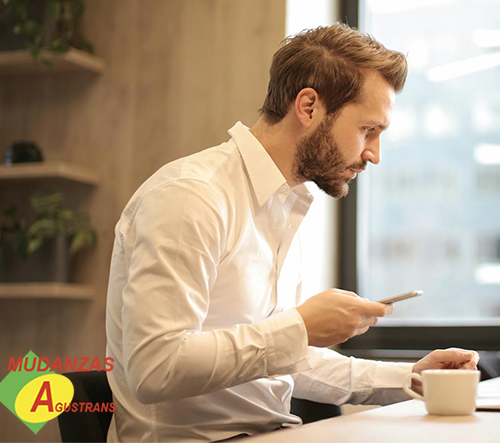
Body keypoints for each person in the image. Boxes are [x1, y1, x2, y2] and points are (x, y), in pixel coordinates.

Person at [105, 23, 479, 442]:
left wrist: (409, 378)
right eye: (367, 130)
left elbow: (276, 359)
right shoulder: (191, 197)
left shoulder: (285, 206)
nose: (374, 154)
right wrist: (299, 327)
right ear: (308, 107)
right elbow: (155, 368)